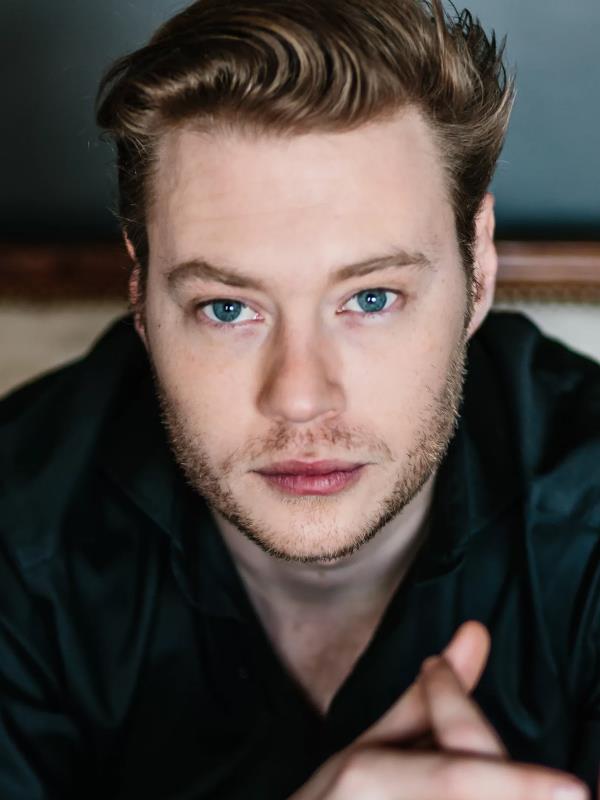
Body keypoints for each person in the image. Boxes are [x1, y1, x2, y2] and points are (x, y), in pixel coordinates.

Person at [0, 0, 598, 797]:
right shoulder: (20, 535)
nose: (302, 399)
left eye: (372, 299)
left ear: (479, 269)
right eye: (227, 308)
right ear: (141, 291)